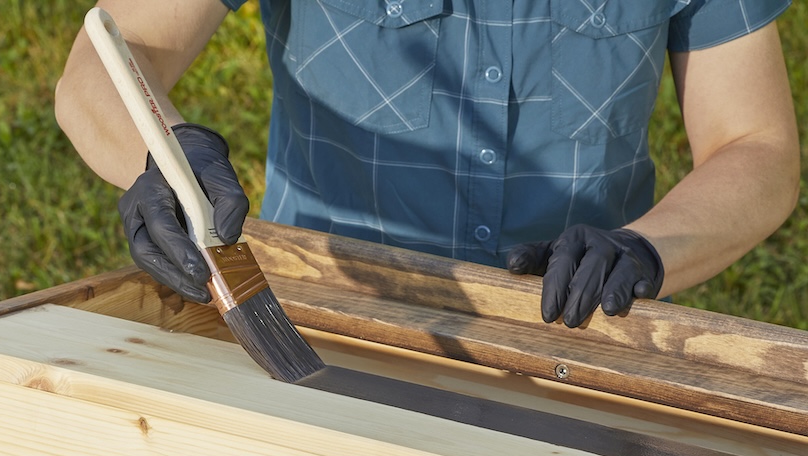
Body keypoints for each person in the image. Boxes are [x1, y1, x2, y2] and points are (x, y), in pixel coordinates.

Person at [55, 1, 799, 327]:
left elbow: (755, 147)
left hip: (579, 338)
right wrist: (161, 157)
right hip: (323, 327)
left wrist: (644, 251)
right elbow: (110, 57)